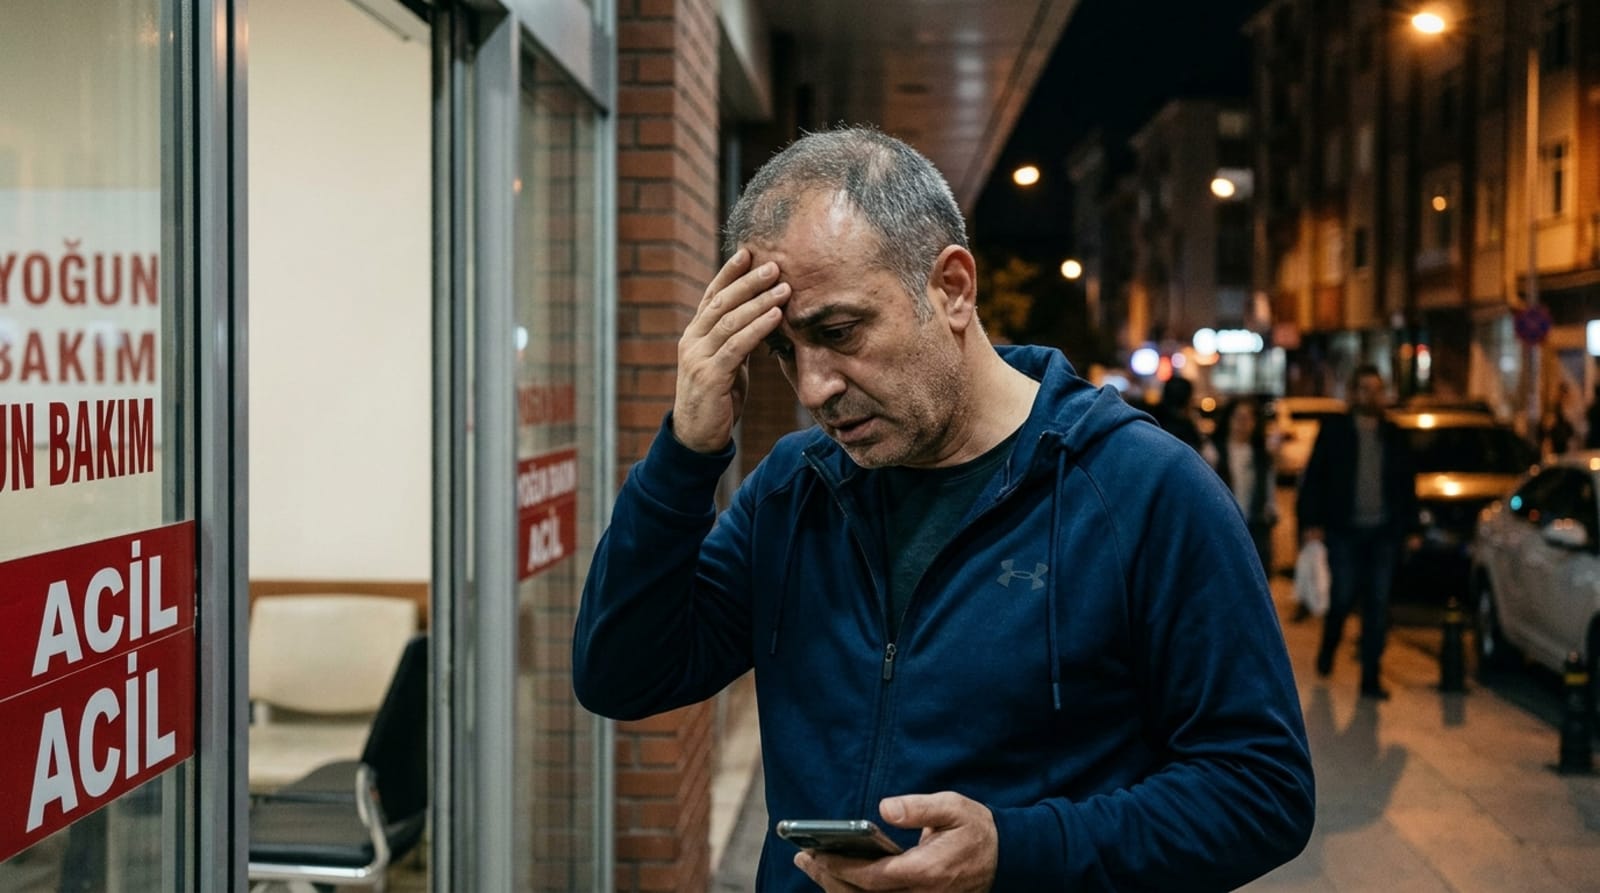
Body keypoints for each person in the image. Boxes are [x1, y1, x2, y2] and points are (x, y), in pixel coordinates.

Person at [572, 127, 1313, 892]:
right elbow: (621, 675)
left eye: (839, 331)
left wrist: (1015, 851)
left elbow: (1262, 789)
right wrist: (684, 456)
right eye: (785, 352)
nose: (814, 387)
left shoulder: (1143, 489)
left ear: (952, 287)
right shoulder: (796, 490)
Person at [1297, 364, 1418, 700]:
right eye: (1363, 388)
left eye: (1375, 389)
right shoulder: (1336, 430)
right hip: (1344, 530)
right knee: (1342, 597)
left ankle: (1370, 677)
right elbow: (1315, 478)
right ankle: (1329, 647)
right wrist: (1312, 523)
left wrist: (1410, 527)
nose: (1369, 395)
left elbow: (1407, 483)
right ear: (1353, 392)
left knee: (1377, 605)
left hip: (1383, 532)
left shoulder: (1393, 434)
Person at [1212, 395, 1279, 575]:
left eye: (1249, 417)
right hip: (1222, 528)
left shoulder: (1261, 455)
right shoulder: (1213, 453)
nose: (1243, 423)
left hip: (1254, 527)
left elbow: (1269, 491)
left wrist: (1270, 513)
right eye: (1238, 417)